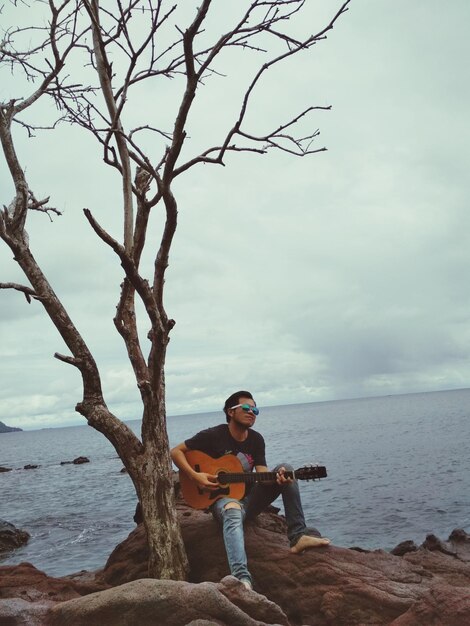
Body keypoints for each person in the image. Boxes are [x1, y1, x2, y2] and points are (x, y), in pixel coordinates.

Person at [170, 390, 330, 590]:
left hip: (250, 501)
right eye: (246, 408)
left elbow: (262, 475)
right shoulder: (213, 435)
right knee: (232, 509)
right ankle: (242, 578)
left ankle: (298, 536)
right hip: (223, 503)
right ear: (230, 412)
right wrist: (196, 476)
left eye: (255, 409)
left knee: (287, 470)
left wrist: (277, 478)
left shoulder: (256, 439)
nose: (251, 412)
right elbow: (175, 452)